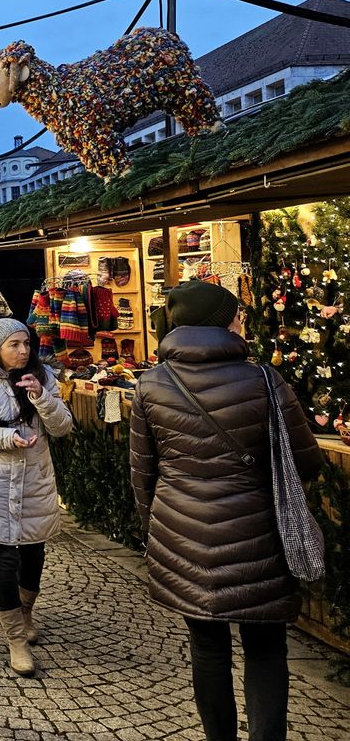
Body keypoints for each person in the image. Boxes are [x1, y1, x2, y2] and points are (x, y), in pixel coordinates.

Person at [130, 281, 322, 741]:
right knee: (265, 648)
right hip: (258, 531)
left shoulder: (151, 383)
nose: (242, 320)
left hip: (181, 530)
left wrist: (155, 531)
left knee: (207, 647)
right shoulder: (264, 379)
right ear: (223, 321)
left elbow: (142, 474)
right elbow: (307, 461)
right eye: (237, 313)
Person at [0, 317, 73, 679]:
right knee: (4, 556)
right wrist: (5, 438)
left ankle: (26, 611)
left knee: (35, 551)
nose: (23, 351)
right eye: (14, 345)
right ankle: (15, 638)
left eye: (26, 344)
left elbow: (62, 426)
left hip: (35, 479)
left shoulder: (43, 376)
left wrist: (41, 395)